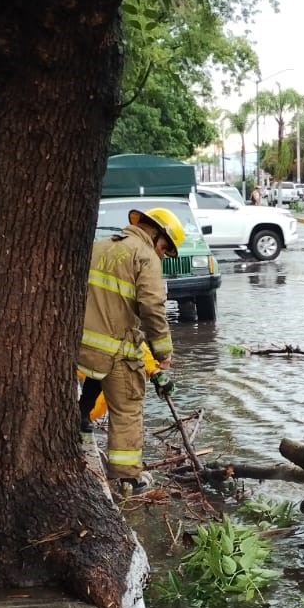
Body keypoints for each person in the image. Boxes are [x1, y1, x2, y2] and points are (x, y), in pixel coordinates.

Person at [78, 207, 182, 498]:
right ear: (157, 234)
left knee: (100, 376)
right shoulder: (144, 256)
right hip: (114, 346)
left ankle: (80, 417)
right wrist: (163, 354)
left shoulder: (101, 247)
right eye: (165, 247)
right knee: (128, 407)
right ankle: (128, 480)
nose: (163, 254)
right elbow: (153, 309)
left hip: (81, 345)